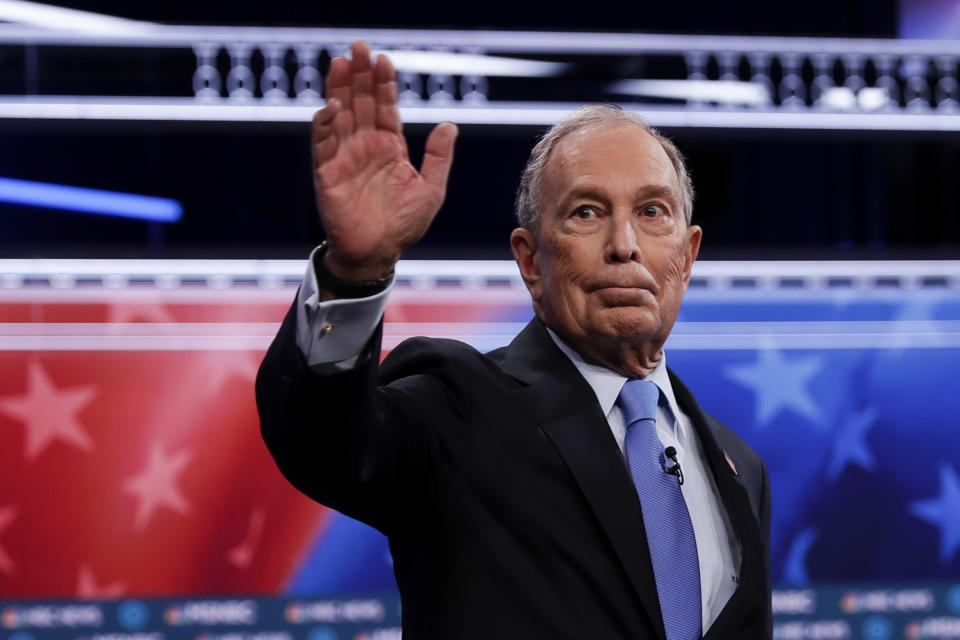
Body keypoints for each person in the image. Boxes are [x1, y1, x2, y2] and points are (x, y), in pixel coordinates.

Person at [257, 40, 772, 640]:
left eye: (653, 211)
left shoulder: (743, 470)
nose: (624, 244)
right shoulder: (460, 406)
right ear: (530, 261)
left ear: (687, 256)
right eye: (586, 212)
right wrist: (354, 273)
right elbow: (322, 442)